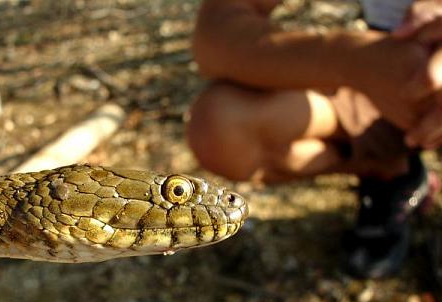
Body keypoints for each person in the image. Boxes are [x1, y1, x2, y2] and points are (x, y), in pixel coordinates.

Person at [187, 0, 442, 278]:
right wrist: (360, 60)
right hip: (389, 84)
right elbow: (215, 34)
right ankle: (391, 174)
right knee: (222, 124)